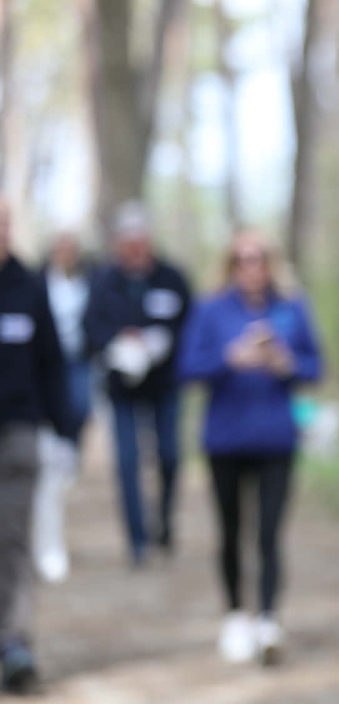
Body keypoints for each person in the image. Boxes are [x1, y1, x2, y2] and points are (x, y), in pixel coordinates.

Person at [177, 229, 322, 665]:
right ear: (230, 263)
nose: (251, 266)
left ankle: (268, 618)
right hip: (225, 439)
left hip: (277, 438)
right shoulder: (211, 309)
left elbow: (315, 366)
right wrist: (230, 358)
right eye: (241, 258)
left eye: (258, 257)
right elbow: (186, 370)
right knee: (231, 531)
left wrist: (285, 363)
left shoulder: (292, 307)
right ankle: (236, 614)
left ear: (270, 262)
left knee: (270, 532)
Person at [83, 201, 192, 567]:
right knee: (127, 462)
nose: (134, 247)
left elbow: (189, 327)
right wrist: (118, 340)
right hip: (122, 386)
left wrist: (161, 343)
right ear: (118, 243)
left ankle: (163, 521)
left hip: (165, 384)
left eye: (140, 238)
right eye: (127, 240)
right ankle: (137, 540)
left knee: (169, 455)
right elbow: (90, 329)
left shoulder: (172, 278)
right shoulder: (103, 280)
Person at [0, 197, 72, 694]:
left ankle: (15, 642)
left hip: (18, 431)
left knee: (13, 540)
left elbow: (52, 361)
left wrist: (64, 429)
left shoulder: (30, 286)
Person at [32, 229, 96, 583]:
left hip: (76, 360)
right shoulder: (38, 283)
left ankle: (70, 451)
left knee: (77, 409)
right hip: (45, 367)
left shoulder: (89, 279)